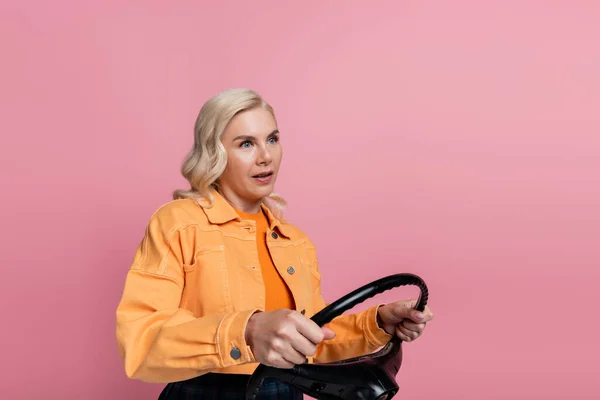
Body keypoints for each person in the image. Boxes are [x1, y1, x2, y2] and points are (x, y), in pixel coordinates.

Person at [115, 88, 434, 399]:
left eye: (272, 139)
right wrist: (248, 330)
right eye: (246, 144)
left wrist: (378, 322)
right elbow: (142, 343)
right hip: (205, 391)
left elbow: (315, 341)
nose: (265, 156)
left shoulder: (295, 241)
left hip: (286, 390)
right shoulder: (178, 222)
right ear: (216, 152)